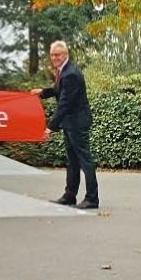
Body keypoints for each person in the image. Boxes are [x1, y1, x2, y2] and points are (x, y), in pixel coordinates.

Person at [30, 41, 99, 209]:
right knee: (72, 161)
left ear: (65, 55)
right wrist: (43, 92)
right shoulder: (64, 71)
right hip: (70, 123)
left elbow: (65, 103)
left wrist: (50, 127)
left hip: (77, 122)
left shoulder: (71, 74)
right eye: (52, 55)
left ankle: (92, 199)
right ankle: (70, 196)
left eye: (58, 55)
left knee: (85, 161)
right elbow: (59, 90)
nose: (54, 58)